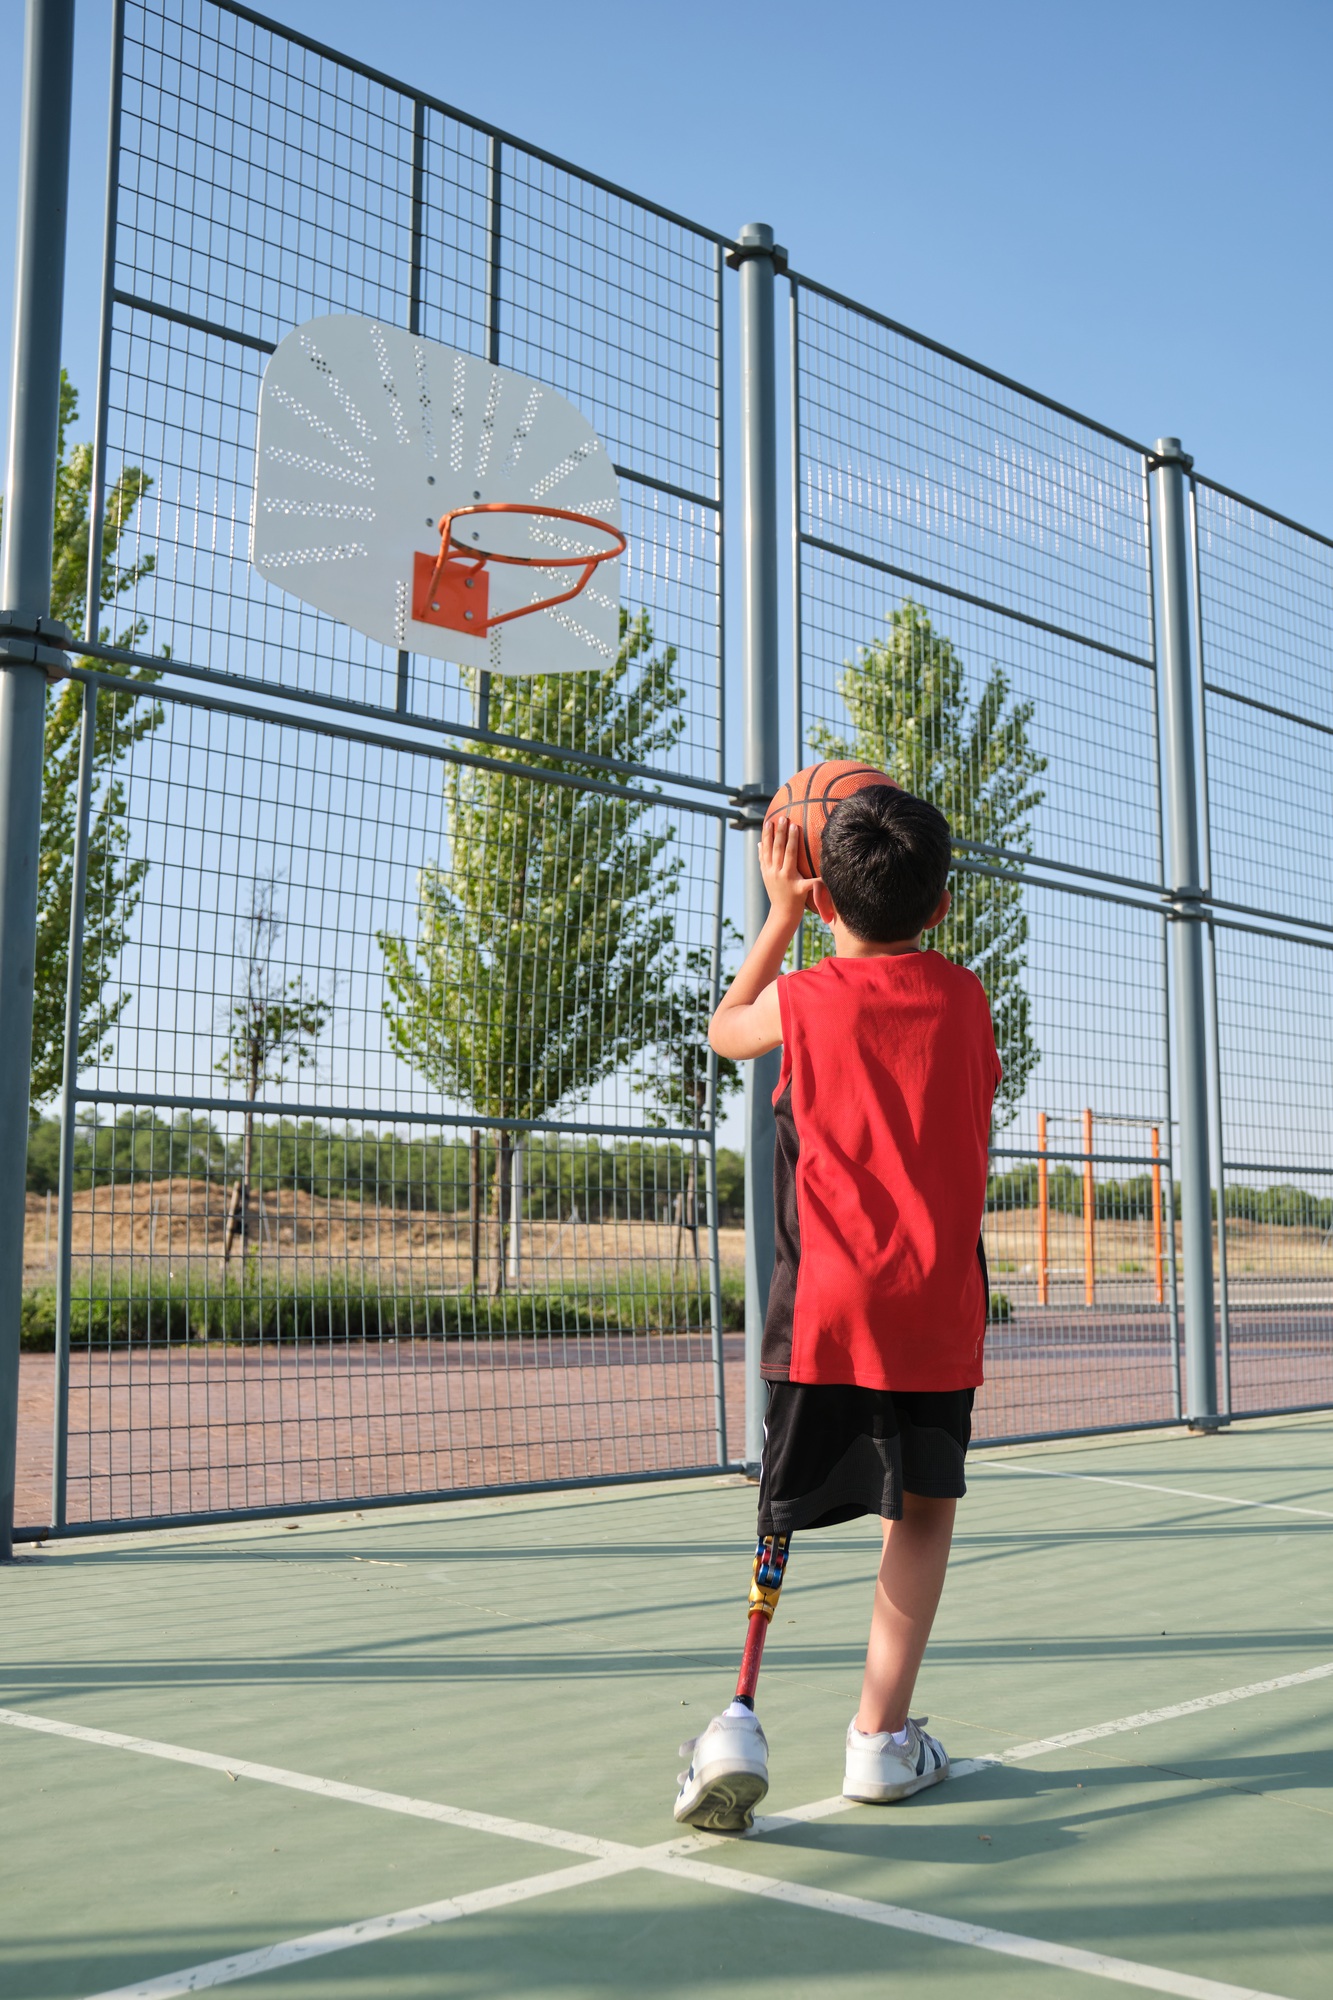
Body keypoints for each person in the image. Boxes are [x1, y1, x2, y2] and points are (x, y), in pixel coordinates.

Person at [674, 785, 1000, 1832]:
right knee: (924, 1511)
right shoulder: (968, 999)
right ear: (941, 907)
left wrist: (777, 912)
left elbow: (727, 1029)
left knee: (782, 1505)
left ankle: (738, 1709)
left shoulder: (806, 997)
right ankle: (879, 1739)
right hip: (935, 1308)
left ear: (823, 901)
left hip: (823, 1303)